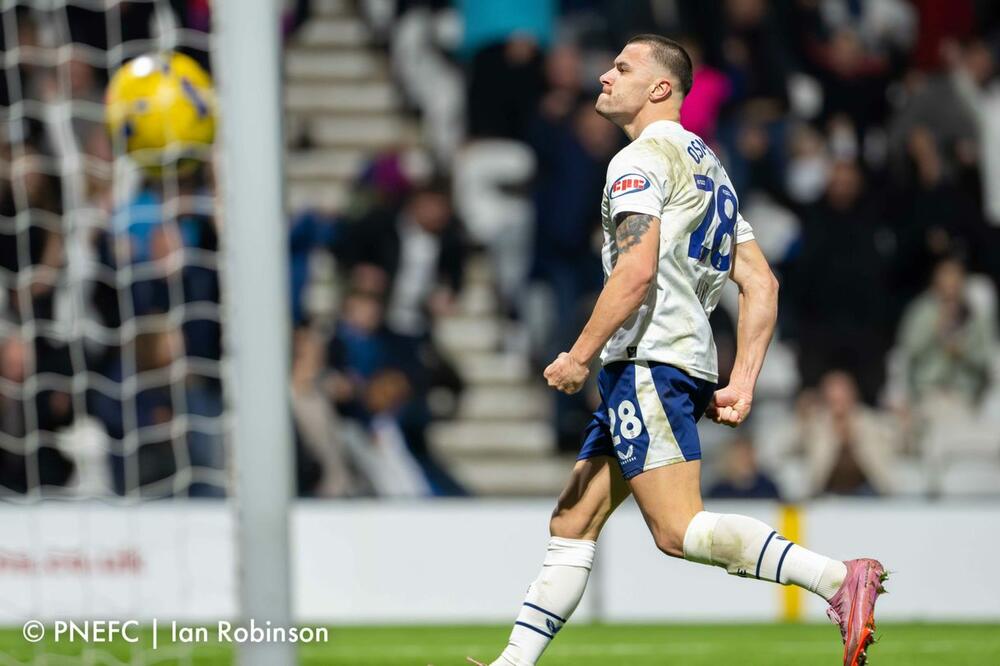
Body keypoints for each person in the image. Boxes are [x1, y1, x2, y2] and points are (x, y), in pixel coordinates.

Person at [470, 36, 885, 666]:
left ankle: (836, 579)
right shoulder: (708, 166)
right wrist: (742, 380)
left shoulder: (637, 160)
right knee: (573, 519)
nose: (604, 76)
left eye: (622, 68)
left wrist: (579, 354)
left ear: (660, 88)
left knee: (676, 528)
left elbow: (635, 271)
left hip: (649, 359)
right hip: (674, 358)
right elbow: (762, 283)